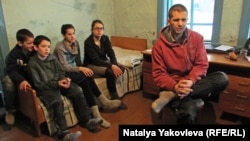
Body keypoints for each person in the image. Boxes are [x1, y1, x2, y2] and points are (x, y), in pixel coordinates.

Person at [151, 4, 229, 124]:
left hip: (192, 83)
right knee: (187, 111)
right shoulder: (158, 46)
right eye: (176, 20)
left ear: (187, 20)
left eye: (184, 19)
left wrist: (191, 80)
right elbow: (159, 74)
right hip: (174, 84)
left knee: (222, 78)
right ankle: (180, 95)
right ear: (169, 21)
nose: (180, 24)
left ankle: (172, 96)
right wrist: (175, 86)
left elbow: (202, 64)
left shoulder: (197, 38)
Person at [28, 35, 102, 140]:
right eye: (43, 46)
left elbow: (61, 71)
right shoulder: (33, 64)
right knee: (57, 101)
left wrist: (65, 80)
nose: (47, 49)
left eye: (48, 47)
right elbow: (39, 84)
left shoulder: (52, 58)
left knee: (77, 90)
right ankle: (64, 134)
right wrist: (57, 83)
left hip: (58, 83)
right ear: (36, 47)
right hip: (46, 89)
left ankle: (88, 120)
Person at [54, 24, 121, 129]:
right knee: (84, 77)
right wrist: (80, 69)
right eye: (69, 34)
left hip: (75, 70)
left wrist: (84, 68)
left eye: (73, 33)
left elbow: (78, 61)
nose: (72, 36)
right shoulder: (60, 48)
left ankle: (102, 103)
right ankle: (98, 111)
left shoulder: (75, 43)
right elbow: (64, 67)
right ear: (64, 35)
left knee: (87, 75)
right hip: (64, 72)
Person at [83, 19, 127, 109]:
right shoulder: (88, 42)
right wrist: (111, 66)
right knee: (110, 72)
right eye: (96, 28)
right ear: (92, 30)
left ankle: (100, 74)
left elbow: (111, 53)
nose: (99, 30)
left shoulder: (105, 38)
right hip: (92, 64)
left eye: (101, 28)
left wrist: (114, 64)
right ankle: (115, 96)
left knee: (122, 68)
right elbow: (95, 60)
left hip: (103, 61)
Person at [3, 29, 35, 125]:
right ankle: (10, 111)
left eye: (33, 42)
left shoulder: (34, 50)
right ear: (20, 43)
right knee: (8, 82)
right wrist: (21, 80)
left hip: (29, 73)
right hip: (18, 75)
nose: (32, 45)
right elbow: (12, 70)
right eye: (29, 43)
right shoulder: (13, 55)